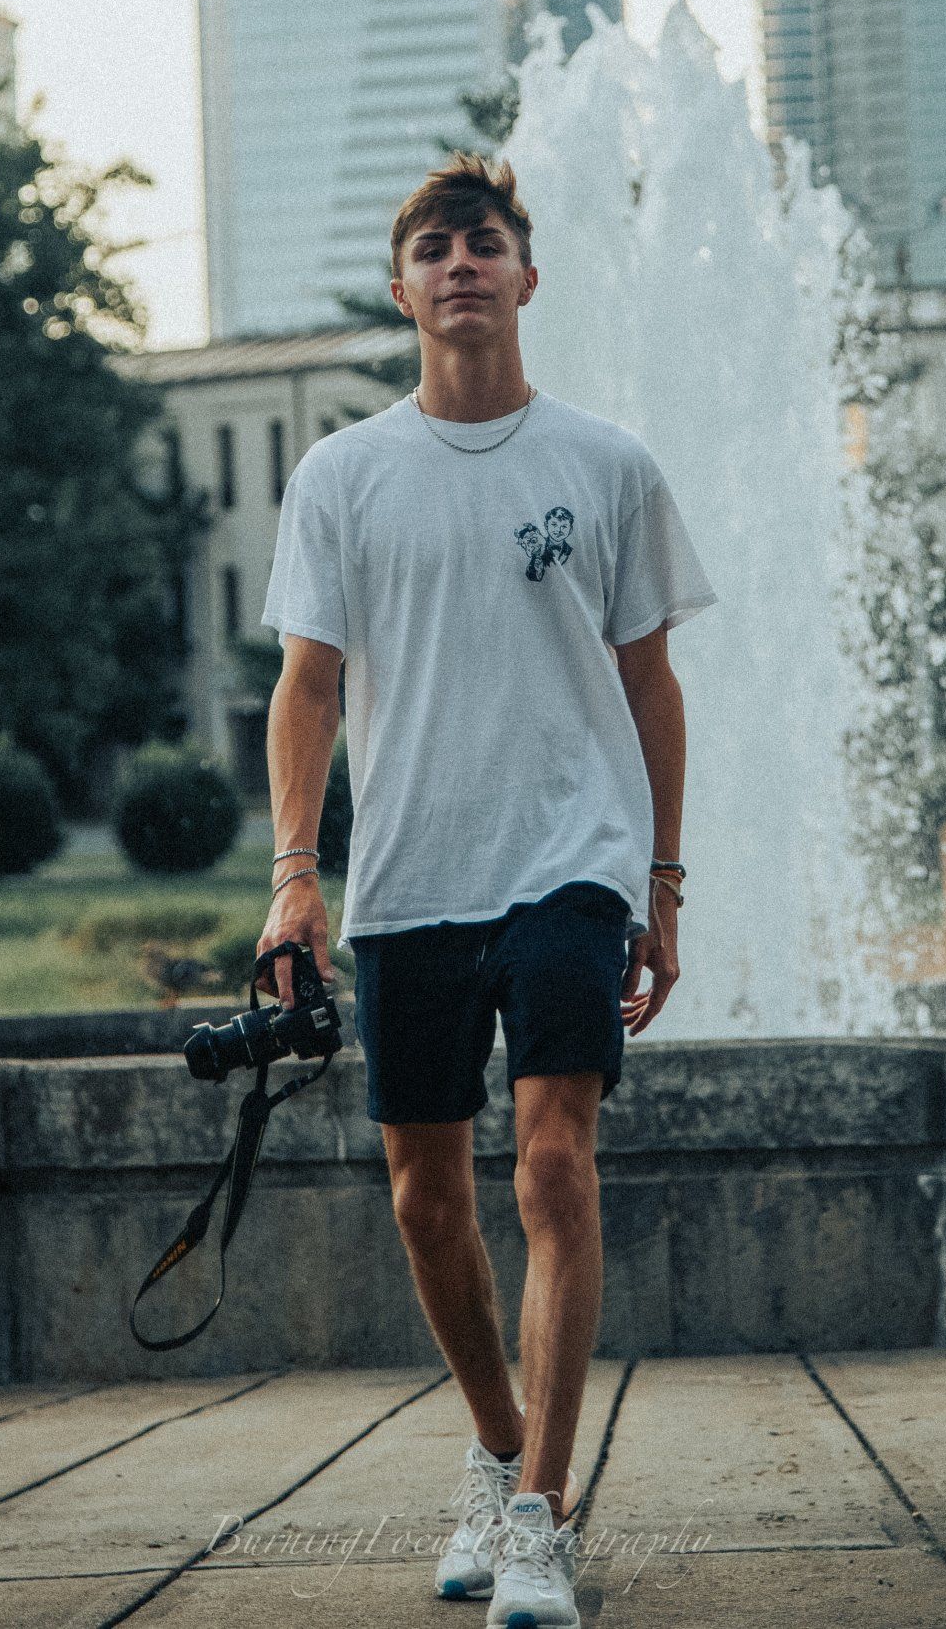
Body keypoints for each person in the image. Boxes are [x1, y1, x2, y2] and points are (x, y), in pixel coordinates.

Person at [258, 153, 714, 1629]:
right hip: (409, 878)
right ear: (403, 289)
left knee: (555, 1164)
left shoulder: (607, 465)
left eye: (487, 241)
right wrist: (292, 881)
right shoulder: (342, 475)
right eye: (436, 246)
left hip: (568, 863)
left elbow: (652, 683)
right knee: (422, 1198)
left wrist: (659, 874)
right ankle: (496, 1443)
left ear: (528, 276)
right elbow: (308, 687)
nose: (462, 262)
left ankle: (540, 1513)